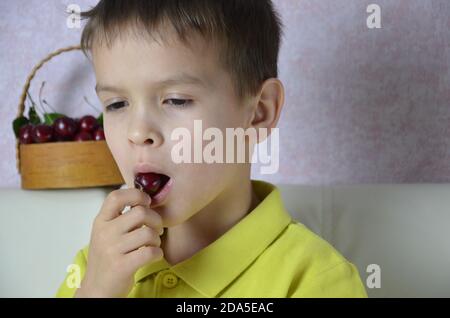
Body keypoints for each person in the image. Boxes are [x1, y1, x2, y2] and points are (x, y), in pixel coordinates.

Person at [56, 0, 367, 298]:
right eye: (117, 104)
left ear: (258, 112)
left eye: (176, 100)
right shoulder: (97, 269)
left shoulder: (315, 281)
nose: (138, 133)